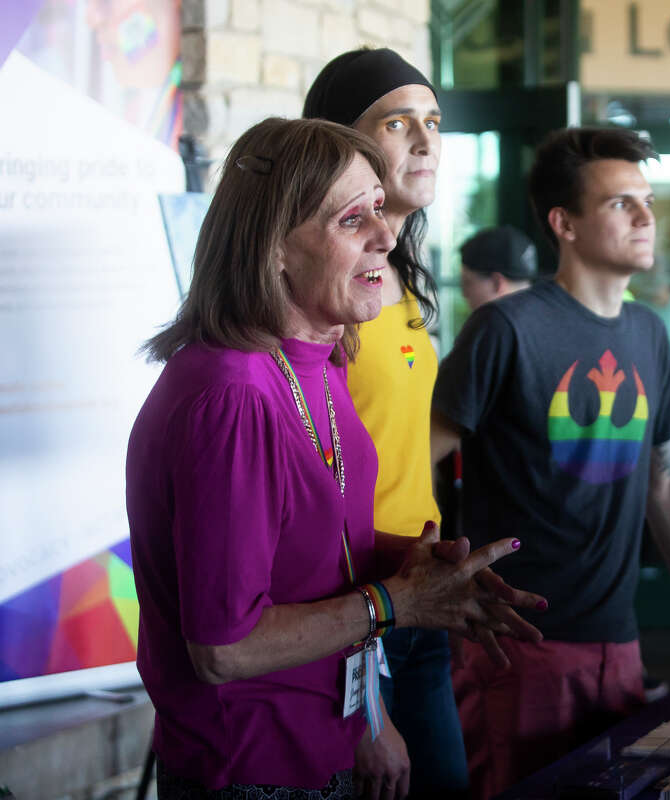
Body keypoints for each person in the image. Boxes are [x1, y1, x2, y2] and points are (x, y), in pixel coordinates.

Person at [127, 117, 544, 799]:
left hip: (324, 741)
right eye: (354, 219)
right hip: (249, 767)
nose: (388, 235)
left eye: (380, 208)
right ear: (275, 251)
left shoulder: (322, 360)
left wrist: (408, 564)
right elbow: (223, 648)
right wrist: (395, 602)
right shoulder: (233, 395)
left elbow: (304, 548)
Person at [431, 127, 670, 797]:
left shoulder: (649, 333)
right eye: (622, 203)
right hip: (519, 643)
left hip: (618, 641)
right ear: (564, 223)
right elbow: (410, 463)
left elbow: (666, 479)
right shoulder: (507, 328)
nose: (646, 217)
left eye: (647, 200)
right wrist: (431, 582)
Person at [302, 48, 478, 798]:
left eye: (433, 123)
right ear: (340, 143)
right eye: (397, 122)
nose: (425, 141)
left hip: (417, 590)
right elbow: (308, 489)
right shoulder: (321, 286)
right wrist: (368, 710)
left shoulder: (397, 270)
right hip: (350, 609)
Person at [459, 225, 538, 311]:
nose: (464, 294)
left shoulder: (490, 323)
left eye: (467, 283)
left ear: (497, 283)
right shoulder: (545, 319)